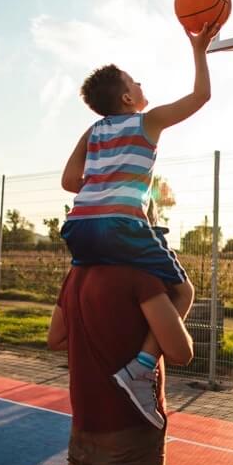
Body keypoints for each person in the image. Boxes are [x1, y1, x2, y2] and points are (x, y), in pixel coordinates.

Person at [59, 22, 216, 429]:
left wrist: (103, 176)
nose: (141, 84)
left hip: (79, 229)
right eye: (135, 81)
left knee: (104, 279)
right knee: (183, 290)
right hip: (119, 225)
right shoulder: (148, 121)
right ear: (129, 98)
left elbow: (69, 182)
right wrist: (199, 49)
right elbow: (201, 96)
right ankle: (142, 366)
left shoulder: (92, 131)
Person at [47, 261, 193, 465]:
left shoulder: (77, 272)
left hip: (84, 427)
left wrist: (96, 335)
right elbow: (181, 352)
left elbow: (55, 338)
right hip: (132, 429)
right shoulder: (142, 273)